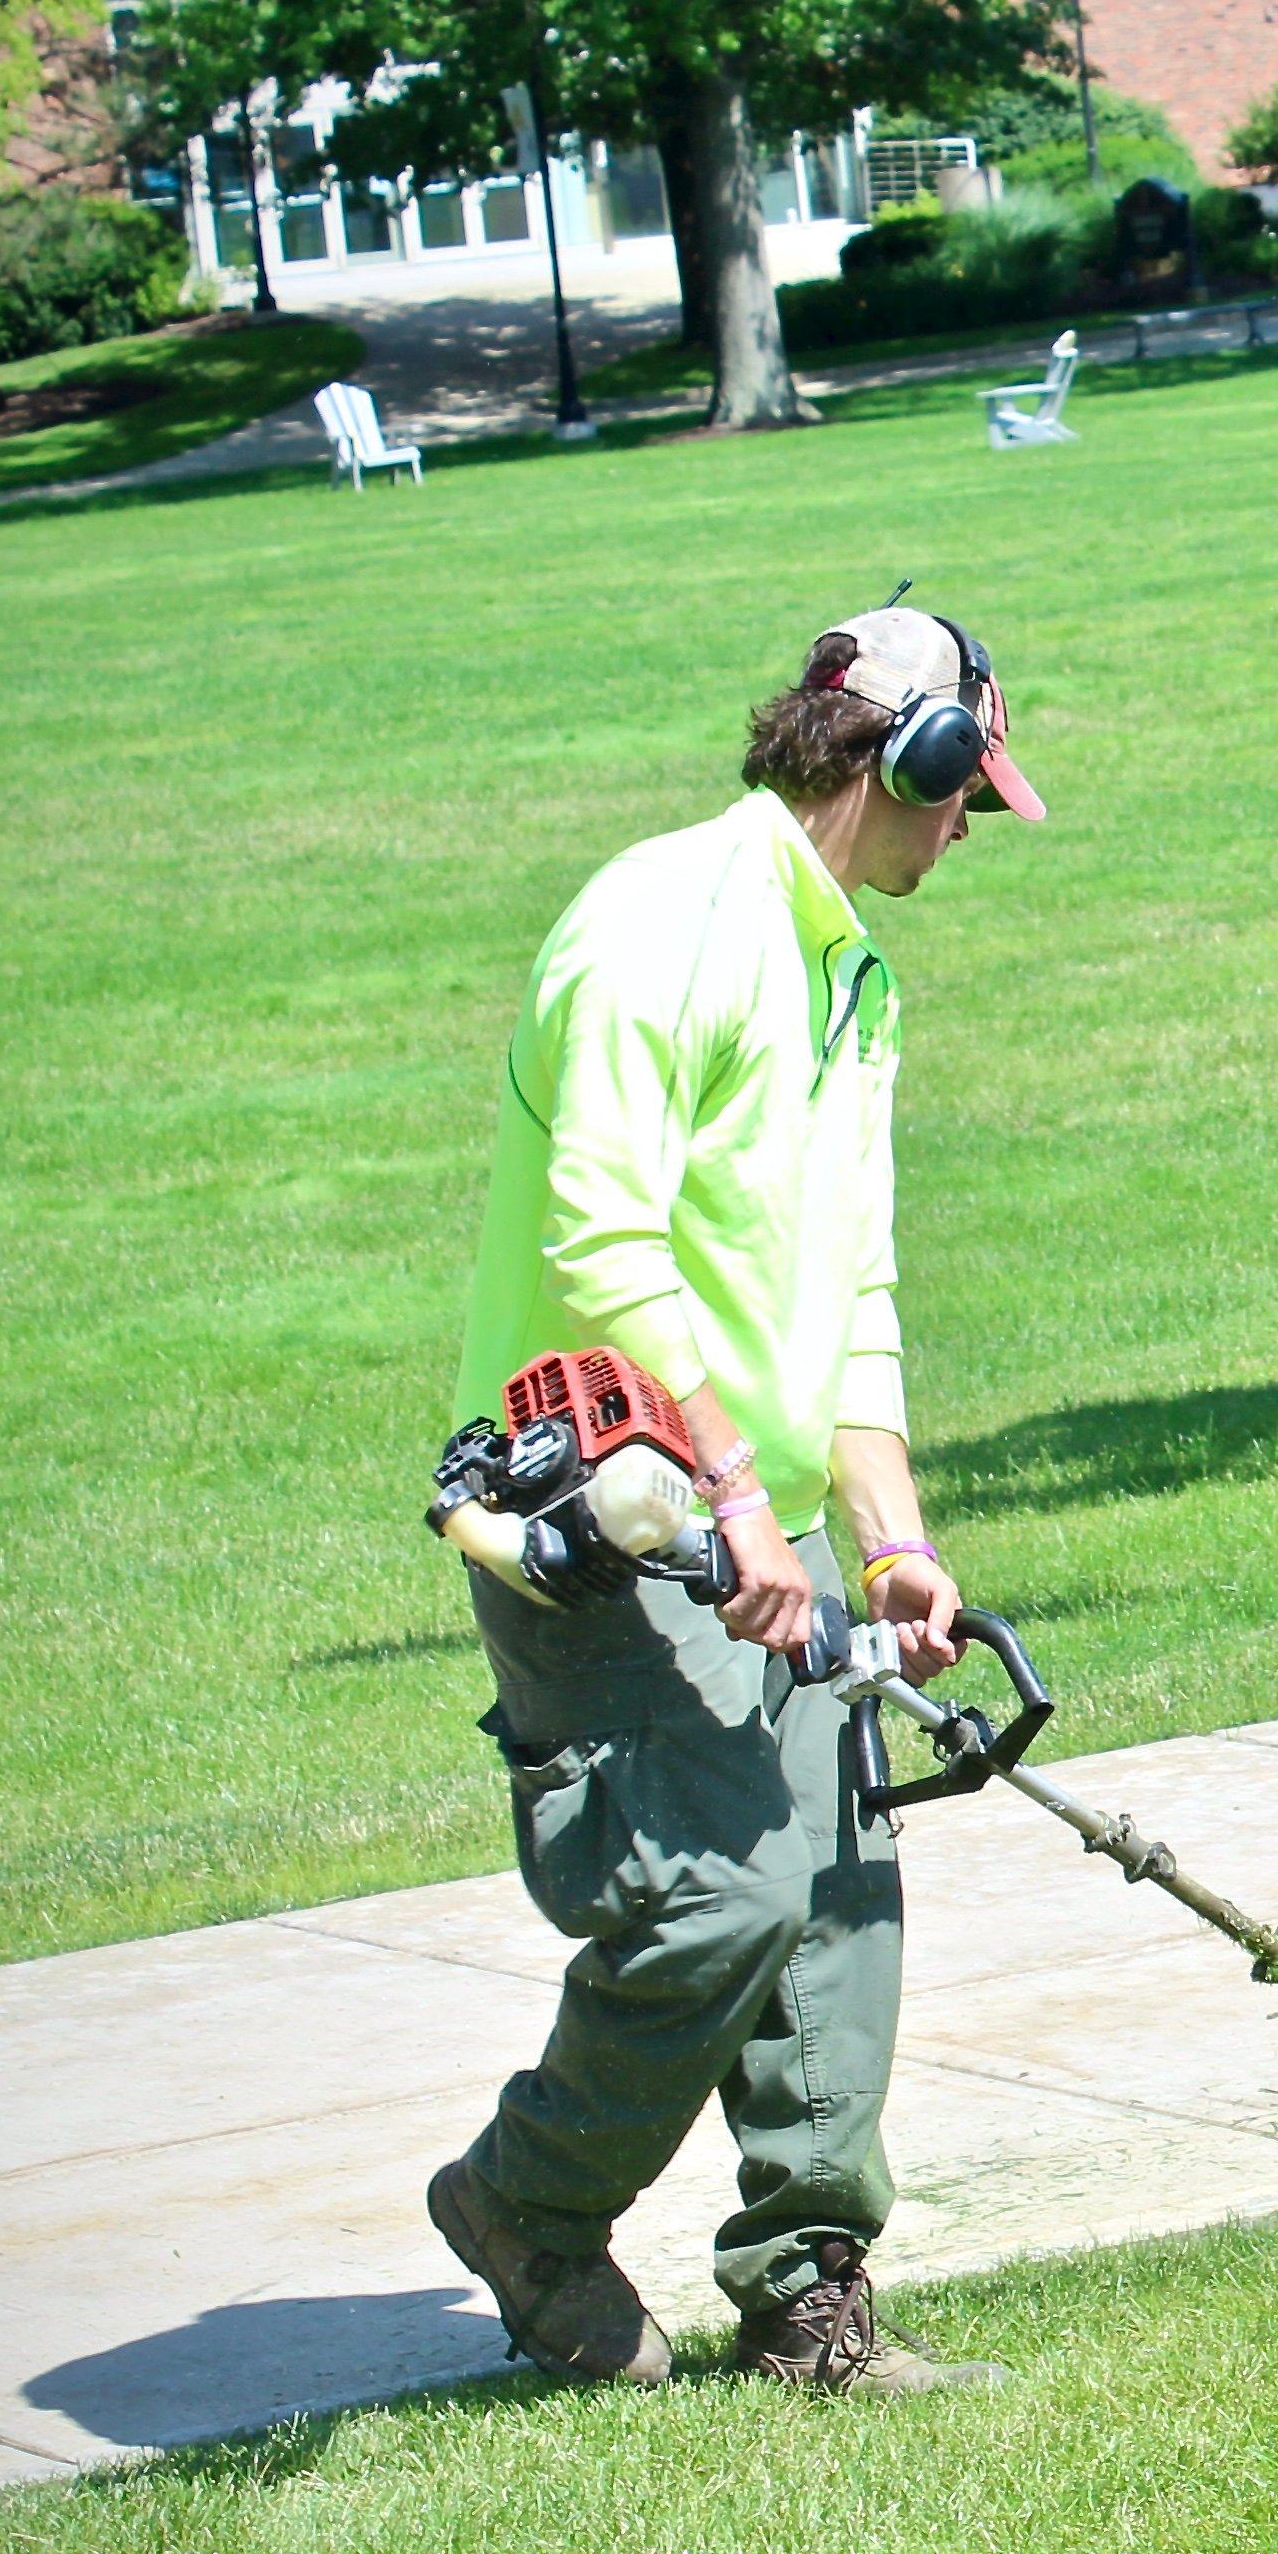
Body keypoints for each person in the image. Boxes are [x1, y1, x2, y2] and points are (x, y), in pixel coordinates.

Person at [422, 601, 1043, 2396]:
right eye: (965, 800)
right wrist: (736, 1507)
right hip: (602, 1507)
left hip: (750, 1510)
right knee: (716, 1898)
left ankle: (805, 2296)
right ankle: (525, 2204)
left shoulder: (853, 976)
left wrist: (893, 1538)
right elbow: (602, 1237)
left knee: (840, 1880)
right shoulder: (657, 927)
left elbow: (849, 1292)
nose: (967, 834)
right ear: (904, 763)